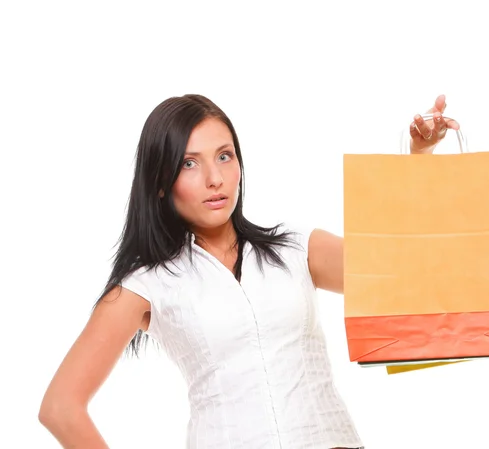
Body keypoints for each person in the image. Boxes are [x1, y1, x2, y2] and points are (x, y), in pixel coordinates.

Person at [38, 94, 459, 449]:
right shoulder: (148, 283)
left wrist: (420, 156)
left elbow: (401, 273)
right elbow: (60, 407)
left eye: (224, 156)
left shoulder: (295, 247)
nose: (215, 178)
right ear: (160, 181)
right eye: (189, 163)